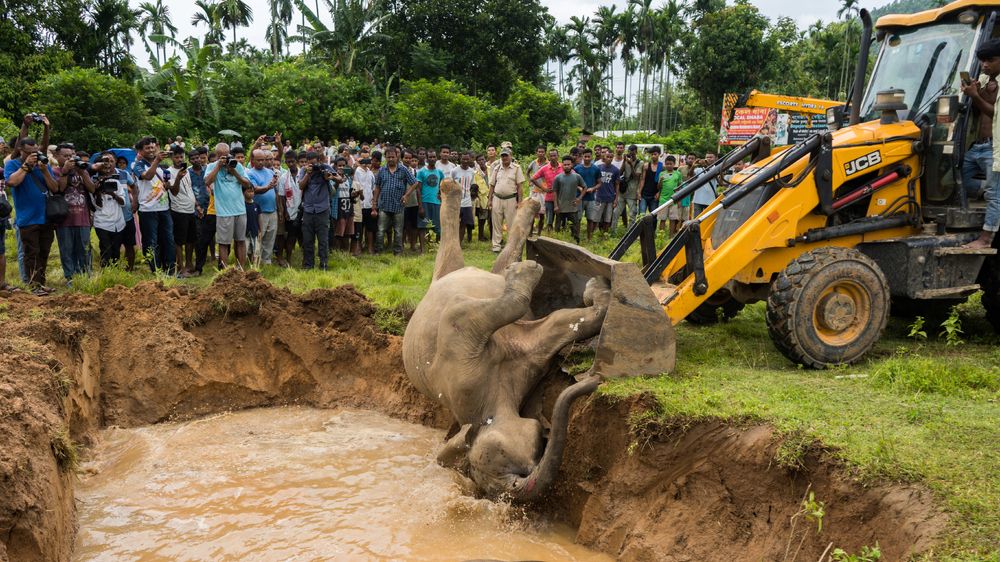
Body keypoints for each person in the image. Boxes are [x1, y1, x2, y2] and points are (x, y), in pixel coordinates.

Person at [4, 137, 57, 294]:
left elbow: (54, 188)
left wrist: (45, 170)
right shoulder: (13, 164)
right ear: (21, 150)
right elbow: (12, 182)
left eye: (36, 152)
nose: (34, 154)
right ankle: (33, 286)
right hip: (27, 218)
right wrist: (26, 166)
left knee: (44, 252)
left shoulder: (43, 165)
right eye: (30, 152)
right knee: (31, 253)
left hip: (46, 216)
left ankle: (41, 283)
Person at [964, 39, 1000, 249]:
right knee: (959, 178)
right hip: (977, 145)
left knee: (995, 196)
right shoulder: (985, 80)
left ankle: (985, 239)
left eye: (990, 60)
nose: (985, 64)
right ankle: (989, 189)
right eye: (982, 60)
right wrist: (975, 91)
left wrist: (976, 96)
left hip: (995, 146)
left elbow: (995, 114)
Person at [53, 143, 96, 283]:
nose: (69, 158)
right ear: (57, 156)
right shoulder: (55, 171)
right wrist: (65, 171)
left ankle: (86, 275)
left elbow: (92, 189)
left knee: (84, 249)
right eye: (65, 156)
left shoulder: (82, 170)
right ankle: (70, 277)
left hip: (83, 217)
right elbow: (59, 189)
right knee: (66, 250)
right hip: (63, 218)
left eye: (72, 156)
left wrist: (83, 172)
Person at [205, 142, 253, 269]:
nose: (224, 158)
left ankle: (241, 268)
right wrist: (218, 167)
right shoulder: (211, 166)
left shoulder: (237, 165)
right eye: (221, 155)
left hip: (239, 209)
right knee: (223, 243)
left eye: (226, 155)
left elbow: (247, 184)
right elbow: (207, 181)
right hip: (223, 212)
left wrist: (234, 172)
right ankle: (225, 271)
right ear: (216, 155)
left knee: (240, 240)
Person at [132, 137, 176, 273]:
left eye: (153, 147)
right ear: (140, 151)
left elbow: (166, 185)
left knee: (168, 240)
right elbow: (147, 176)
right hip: (147, 210)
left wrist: (170, 183)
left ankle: (169, 270)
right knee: (151, 241)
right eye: (147, 148)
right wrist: (156, 160)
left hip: (164, 208)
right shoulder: (137, 165)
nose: (151, 150)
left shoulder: (163, 166)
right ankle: (155, 271)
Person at [372, 146, 418, 256]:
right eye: (388, 157)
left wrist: (406, 195)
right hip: (384, 204)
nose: (391, 159)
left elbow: (415, 183)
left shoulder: (403, 169)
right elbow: (377, 187)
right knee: (381, 229)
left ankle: (397, 252)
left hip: (398, 205)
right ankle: (379, 250)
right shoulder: (382, 170)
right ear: (385, 158)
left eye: (393, 157)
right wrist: (374, 203)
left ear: (397, 157)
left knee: (398, 231)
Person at [298, 151, 337, 269]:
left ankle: (324, 265)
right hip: (308, 209)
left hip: (323, 209)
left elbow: (338, 178)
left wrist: (328, 176)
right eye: (310, 164)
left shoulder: (325, 167)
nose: (313, 166)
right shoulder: (304, 170)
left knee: (323, 240)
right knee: (307, 240)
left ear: (319, 161)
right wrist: (308, 174)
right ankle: (308, 265)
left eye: (314, 164)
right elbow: (300, 186)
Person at [247, 136, 283, 265]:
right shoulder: (250, 173)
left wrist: (279, 209)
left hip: (272, 209)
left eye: (263, 160)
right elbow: (255, 189)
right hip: (259, 211)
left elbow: (275, 191)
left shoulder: (269, 171)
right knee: (259, 237)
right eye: (259, 160)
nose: (262, 162)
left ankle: (266, 260)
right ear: (253, 161)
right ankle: (256, 260)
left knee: (270, 236)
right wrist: (268, 187)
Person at [91, 152, 128, 268]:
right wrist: (97, 192)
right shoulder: (93, 183)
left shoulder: (116, 182)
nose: (106, 168)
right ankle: (106, 273)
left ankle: (115, 273)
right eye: (104, 166)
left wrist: (113, 194)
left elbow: (123, 202)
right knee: (106, 250)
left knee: (116, 251)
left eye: (108, 165)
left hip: (118, 222)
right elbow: (97, 206)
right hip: (102, 223)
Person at [167, 146, 198, 276]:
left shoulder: (186, 171)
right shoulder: (168, 172)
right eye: (177, 157)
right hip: (178, 210)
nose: (179, 159)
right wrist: (178, 178)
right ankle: (180, 268)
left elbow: (189, 189)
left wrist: (197, 205)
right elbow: (174, 192)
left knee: (191, 240)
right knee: (179, 241)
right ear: (171, 158)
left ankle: (189, 264)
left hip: (191, 209)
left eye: (181, 157)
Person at [488, 148, 525, 253]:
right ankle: (496, 245)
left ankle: (511, 245)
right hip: (497, 198)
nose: (504, 158)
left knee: (511, 223)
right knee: (496, 223)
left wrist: (520, 201)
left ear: (510, 156)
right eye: (502, 156)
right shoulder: (497, 168)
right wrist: (489, 199)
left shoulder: (516, 168)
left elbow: (520, 187)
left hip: (511, 199)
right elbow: (492, 185)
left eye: (506, 155)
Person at [275, 150, 302, 266]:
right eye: (288, 162)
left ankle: (304, 258)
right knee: (290, 237)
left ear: (296, 161)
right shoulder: (283, 178)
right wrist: (283, 212)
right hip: (290, 211)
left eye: (292, 161)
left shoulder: (303, 174)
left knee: (303, 237)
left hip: (303, 210)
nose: (290, 164)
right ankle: (288, 258)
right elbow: (281, 197)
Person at [553, 156, 586, 244]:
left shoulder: (577, 176)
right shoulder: (558, 177)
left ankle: (576, 244)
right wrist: (556, 205)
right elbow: (555, 192)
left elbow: (585, 187)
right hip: (561, 208)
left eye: (568, 164)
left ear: (572, 165)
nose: (567, 166)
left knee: (574, 228)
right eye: (565, 165)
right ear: (562, 165)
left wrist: (579, 199)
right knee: (558, 229)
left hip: (572, 208)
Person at [590, 149, 621, 240]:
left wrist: (616, 199)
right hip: (599, 197)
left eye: (611, 157)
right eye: (607, 156)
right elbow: (594, 181)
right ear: (604, 156)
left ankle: (605, 236)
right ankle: (591, 235)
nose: (609, 158)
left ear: (613, 158)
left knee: (607, 219)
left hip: (610, 198)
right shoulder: (598, 167)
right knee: (596, 218)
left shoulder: (616, 170)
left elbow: (617, 184)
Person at [414, 149, 444, 243]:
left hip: (436, 203)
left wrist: (440, 195)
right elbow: (418, 189)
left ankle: (436, 246)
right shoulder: (421, 172)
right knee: (423, 226)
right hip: (425, 202)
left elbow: (442, 187)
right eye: (430, 157)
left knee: (437, 226)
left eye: (434, 157)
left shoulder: (439, 172)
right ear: (427, 158)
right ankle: (423, 249)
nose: (432, 159)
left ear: (436, 158)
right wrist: (420, 206)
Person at [115, 155, 139, 271]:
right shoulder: (100, 175)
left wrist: (135, 202)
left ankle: (129, 269)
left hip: (127, 216)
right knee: (114, 246)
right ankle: (114, 271)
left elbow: (134, 187)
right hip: (111, 218)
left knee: (130, 244)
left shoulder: (125, 174)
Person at [530, 148, 560, 235]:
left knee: (559, 218)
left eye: (555, 155)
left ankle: (557, 236)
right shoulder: (545, 168)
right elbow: (533, 178)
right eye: (551, 156)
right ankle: (544, 235)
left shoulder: (562, 167)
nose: (553, 157)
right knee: (548, 218)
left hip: (560, 197)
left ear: (558, 156)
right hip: (548, 196)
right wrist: (544, 188)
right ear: (549, 157)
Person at [451, 151, 477, 244]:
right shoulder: (454, 171)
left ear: (470, 159)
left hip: (467, 202)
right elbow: (451, 184)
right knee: (454, 223)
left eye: (467, 159)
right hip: (456, 202)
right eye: (463, 159)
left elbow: (472, 186)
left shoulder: (472, 172)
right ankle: (452, 242)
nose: (465, 161)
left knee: (464, 223)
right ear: (460, 159)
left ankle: (459, 243)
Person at [401, 149, 423, 253]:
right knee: (402, 225)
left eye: (410, 158)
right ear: (402, 158)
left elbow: (418, 188)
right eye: (406, 158)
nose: (408, 160)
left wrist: (419, 203)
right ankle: (400, 245)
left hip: (413, 201)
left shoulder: (415, 171)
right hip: (401, 201)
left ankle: (413, 245)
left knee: (414, 225)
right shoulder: (398, 169)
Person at [333, 156, 356, 252]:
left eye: (343, 165)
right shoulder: (332, 177)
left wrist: (353, 195)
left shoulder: (349, 179)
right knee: (338, 233)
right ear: (335, 166)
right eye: (339, 165)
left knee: (348, 233)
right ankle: (336, 252)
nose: (341, 167)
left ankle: (345, 252)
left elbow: (350, 194)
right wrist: (337, 181)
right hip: (338, 208)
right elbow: (332, 192)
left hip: (348, 208)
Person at [354, 156, 376, 254]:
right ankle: (358, 246)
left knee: (370, 227)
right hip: (359, 203)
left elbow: (373, 187)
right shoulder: (357, 172)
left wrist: (374, 202)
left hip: (369, 203)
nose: (366, 163)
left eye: (367, 161)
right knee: (359, 227)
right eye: (363, 161)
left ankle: (370, 247)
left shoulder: (370, 172)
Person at [658, 155, 685, 235]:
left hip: (674, 200)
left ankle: (671, 236)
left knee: (673, 219)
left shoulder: (678, 174)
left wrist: (679, 200)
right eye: (667, 164)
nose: (669, 165)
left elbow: (680, 187)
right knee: (662, 219)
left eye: (670, 164)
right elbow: (659, 187)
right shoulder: (662, 174)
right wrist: (660, 181)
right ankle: (661, 236)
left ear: (674, 164)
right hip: (663, 199)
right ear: (665, 164)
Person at [573, 148, 600, 228]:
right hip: (579, 197)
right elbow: (573, 182)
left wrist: (593, 188)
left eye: (589, 156)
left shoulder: (596, 168)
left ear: (592, 157)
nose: (587, 158)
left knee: (590, 219)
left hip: (591, 197)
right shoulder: (577, 168)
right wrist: (579, 188)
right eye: (585, 156)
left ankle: (589, 237)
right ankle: (576, 235)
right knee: (577, 218)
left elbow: (600, 183)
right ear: (582, 157)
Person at [639, 146, 663, 215]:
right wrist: (639, 192)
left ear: (659, 154)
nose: (653, 156)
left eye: (655, 154)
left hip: (654, 195)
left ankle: (652, 226)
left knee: (653, 215)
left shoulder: (662, 167)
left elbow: (662, 182)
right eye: (651, 154)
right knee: (642, 215)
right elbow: (642, 179)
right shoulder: (646, 165)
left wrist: (659, 192)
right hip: (644, 194)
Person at [474, 154, 491, 241]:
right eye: (479, 160)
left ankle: (493, 236)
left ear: (485, 160)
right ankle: (480, 237)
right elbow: (475, 189)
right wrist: (478, 203)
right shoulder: (476, 174)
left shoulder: (491, 169)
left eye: (482, 159)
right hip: (482, 199)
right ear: (477, 162)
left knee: (492, 219)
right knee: (482, 219)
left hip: (492, 197)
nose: (481, 161)